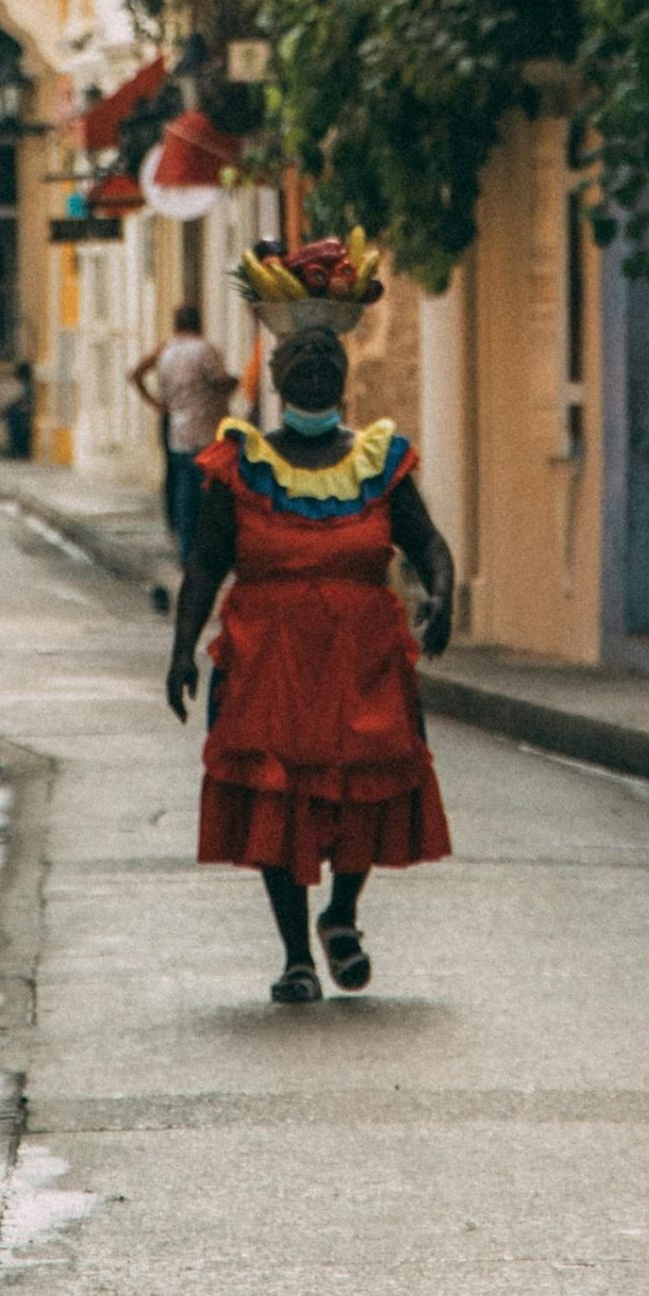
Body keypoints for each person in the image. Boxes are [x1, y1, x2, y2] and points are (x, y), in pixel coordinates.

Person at [165, 327, 457, 1004]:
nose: (317, 368)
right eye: (303, 357)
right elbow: (207, 562)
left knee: (368, 779)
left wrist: (440, 593)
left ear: (346, 372)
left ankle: (342, 915)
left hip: (364, 661)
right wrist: (182, 648)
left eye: (330, 356)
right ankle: (296, 954)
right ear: (275, 376)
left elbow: (424, 540)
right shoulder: (241, 462)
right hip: (269, 662)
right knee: (278, 793)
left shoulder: (380, 460)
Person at [129, 304, 237, 562]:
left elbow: (137, 374)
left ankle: (185, 550)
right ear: (199, 323)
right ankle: (210, 552)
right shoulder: (203, 349)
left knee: (183, 493)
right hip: (206, 432)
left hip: (177, 430)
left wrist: (158, 404)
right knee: (208, 496)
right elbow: (219, 381)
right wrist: (235, 382)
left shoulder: (167, 352)